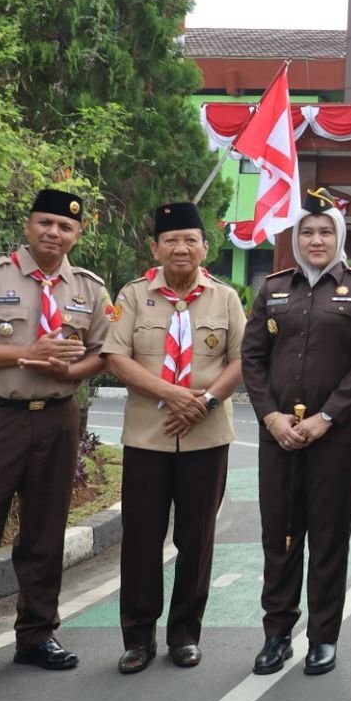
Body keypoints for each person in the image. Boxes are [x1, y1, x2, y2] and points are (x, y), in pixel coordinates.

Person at [0, 189, 110, 695]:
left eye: (65, 227)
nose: (54, 233)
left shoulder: (90, 288)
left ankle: (36, 635)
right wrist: (27, 352)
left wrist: (72, 368)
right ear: (29, 225)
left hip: (57, 419)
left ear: (78, 234)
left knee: (45, 533)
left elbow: (105, 351)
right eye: (45, 223)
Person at [242, 188, 351, 677]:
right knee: (279, 537)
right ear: (296, 237)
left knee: (328, 539)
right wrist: (271, 417)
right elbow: (252, 358)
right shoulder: (273, 288)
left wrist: (326, 417)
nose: (317, 239)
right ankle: (276, 634)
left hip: (339, 438)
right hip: (278, 435)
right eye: (307, 231)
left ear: (339, 236)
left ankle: (323, 637)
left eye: (326, 231)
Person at [102, 202, 247, 674]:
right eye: (171, 240)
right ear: (155, 247)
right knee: (141, 538)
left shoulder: (225, 298)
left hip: (206, 437)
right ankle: (137, 638)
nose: (181, 248)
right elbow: (116, 357)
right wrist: (174, 394)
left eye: (190, 240)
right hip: (148, 437)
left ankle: (185, 634)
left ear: (205, 247)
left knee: (197, 537)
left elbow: (243, 360)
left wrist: (202, 403)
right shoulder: (132, 295)